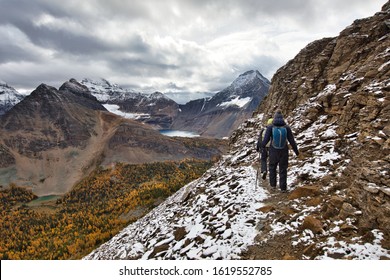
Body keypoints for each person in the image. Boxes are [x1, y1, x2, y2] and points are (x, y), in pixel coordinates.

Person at [261, 110, 299, 192]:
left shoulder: (271, 127)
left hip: (273, 151)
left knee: (272, 168)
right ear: (282, 118)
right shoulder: (286, 127)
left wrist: (261, 146)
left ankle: (273, 186)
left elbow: (266, 140)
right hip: (284, 151)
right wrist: (296, 152)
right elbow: (292, 140)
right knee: (283, 169)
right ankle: (283, 188)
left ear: (274, 118)